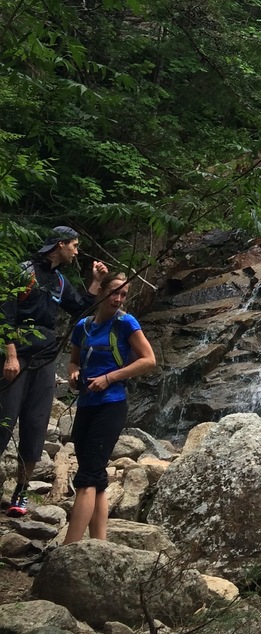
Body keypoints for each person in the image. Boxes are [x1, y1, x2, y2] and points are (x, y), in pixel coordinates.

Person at [1, 226, 107, 516]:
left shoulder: (60, 281)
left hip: (45, 361)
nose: (76, 250)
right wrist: (10, 355)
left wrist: (96, 282)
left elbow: (81, 309)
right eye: (74, 245)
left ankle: (20, 493)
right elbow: (3, 312)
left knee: (35, 426)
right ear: (60, 244)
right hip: (17, 359)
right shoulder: (24, 272)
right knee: (4, 422)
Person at [65, 272, 155, 543]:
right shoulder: (83, 326)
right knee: (97, 478)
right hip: (86, 404)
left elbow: (149, 360)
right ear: (101, 291)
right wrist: (73, 374)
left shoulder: (126, 323)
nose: (118, 299)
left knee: (87, 478)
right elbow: (73, 361)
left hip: (111, 405)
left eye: (124, 295)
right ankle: (99, 544)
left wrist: (109, 378)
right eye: (114, 292)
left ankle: (68, 549)